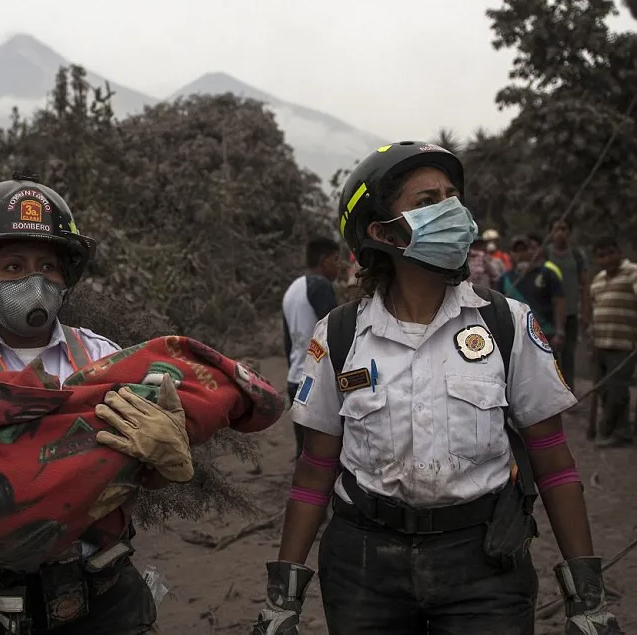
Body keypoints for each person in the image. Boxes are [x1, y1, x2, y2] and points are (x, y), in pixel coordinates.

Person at [252, 141, 621, 635]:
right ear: (382, 232)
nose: (452, 210)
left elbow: (553, 459)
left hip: (485, 564)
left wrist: (587, 597)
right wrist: (283, 601)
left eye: (453, 196)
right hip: (364, 567)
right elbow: (315, 469)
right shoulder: (339, 336)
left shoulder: (506, 323)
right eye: (427, 202)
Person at [0, 173, 187, 634]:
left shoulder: (103, 358)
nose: (34, 281)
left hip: (99, 598)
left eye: (47, 266)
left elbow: (130, 469)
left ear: (65, 277)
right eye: (12, 267)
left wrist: (161, 459)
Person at [282, 237, 339, 457]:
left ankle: (301, 490)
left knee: (305, 450)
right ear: (324, 261)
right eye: (335, 259)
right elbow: (336, 332)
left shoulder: (293, 289)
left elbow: (288, 342)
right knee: (323, 452)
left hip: (296, 380)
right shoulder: (320, 285)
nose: (338, 265)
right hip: (316, 382)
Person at [589, 236, 637, 448]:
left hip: (623, 342)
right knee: (604, 389)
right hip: (600, 342)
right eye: (601, 256)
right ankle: (623, 430)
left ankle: (608, 430)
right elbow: (595, 307)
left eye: (610, 253)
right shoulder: (598, 280)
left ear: (619, 252)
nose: (607, 259)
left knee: (617, 388)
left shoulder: (632, 272)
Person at [501, 234, 566, 355]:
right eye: (516, 251)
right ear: (510, 254)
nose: (521, 254)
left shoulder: (547, 274)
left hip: (545, 333)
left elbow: (559, 302)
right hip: (517, 336)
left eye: (524, 249)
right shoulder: (505, 279)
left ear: (532, 251)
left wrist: (560, 332)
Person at [545, 217, 590, 391]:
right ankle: (552, 391)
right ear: (550, 233)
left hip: (571, 312)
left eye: (564, 229)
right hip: (549, 312)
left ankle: (569, 391)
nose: (560, 234)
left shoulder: (577, 255)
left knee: (569, 354)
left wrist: (585, 311)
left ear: (569, 232)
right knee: (549, 355)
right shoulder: (546, 253)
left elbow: (585, 284)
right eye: (556, 229)